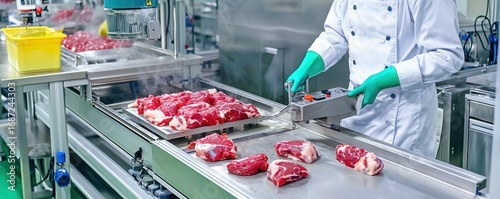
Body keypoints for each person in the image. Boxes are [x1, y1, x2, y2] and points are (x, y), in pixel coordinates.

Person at [286, 0, 464, 158]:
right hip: (356, 111)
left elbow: (447, 56)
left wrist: (382, 80)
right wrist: (306, 66)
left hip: (402, 121)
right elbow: (335, 35)